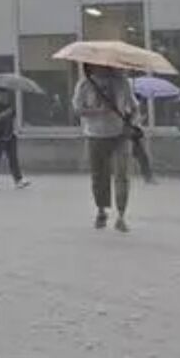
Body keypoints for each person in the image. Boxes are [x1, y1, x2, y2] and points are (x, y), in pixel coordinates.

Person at [72, 64, 137, 232]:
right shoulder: (85, 84)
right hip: (95, 135)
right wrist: (98, 111)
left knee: (122, 175)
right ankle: (101, 210)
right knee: (99, 176)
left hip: (120, 134)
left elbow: (134, 106)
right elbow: (78, 109)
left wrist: (131, 121)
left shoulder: (122, 83)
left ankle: (121, 216)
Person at [0, 91, 29, 189]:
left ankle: (18, 180)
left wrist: (16, 129)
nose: (5, 98)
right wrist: (3, 115)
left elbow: (13, 118)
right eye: (3, 95)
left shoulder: (9, 106)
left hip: (9, 135)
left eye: (7, 96)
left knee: (13, 158)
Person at [130, 102, 157, 184]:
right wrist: (138, 120)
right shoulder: (127, 112)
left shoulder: (135, 113)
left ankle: (148, 177)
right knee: (142, 157)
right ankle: (148, 177)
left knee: (143, 157)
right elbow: (129, 124)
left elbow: (137, 127)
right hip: (128, 139)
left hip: (135, 138)